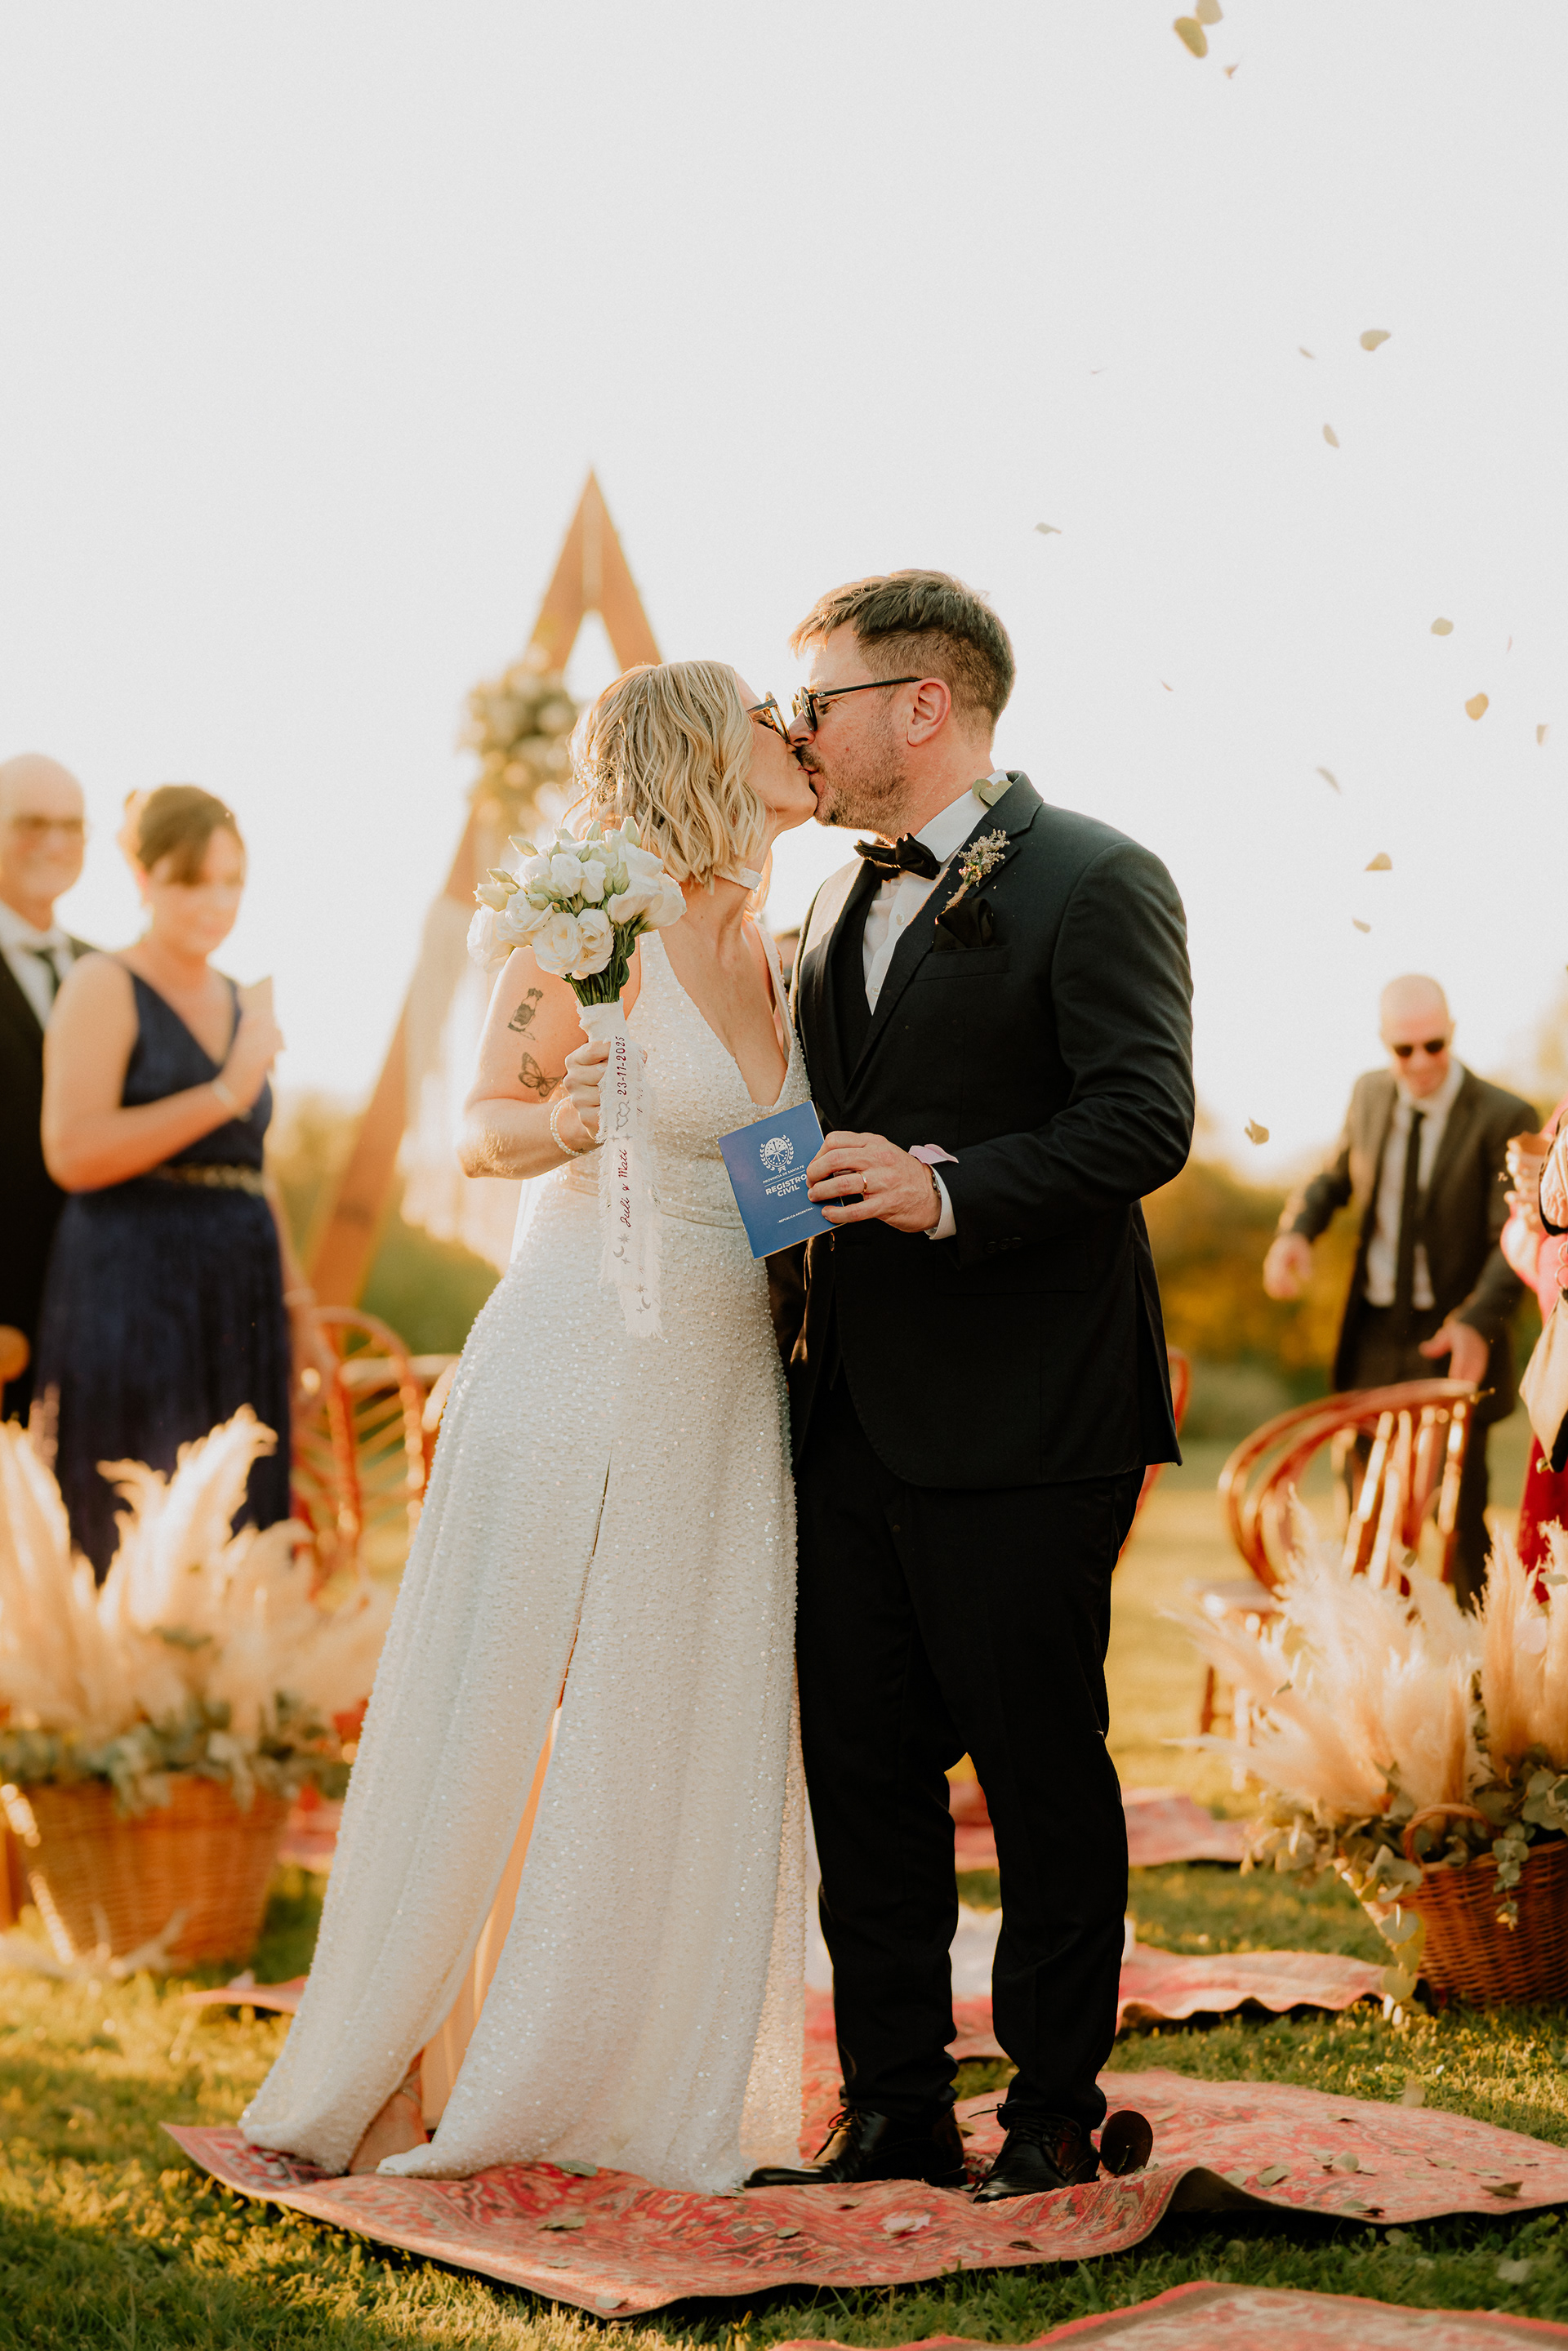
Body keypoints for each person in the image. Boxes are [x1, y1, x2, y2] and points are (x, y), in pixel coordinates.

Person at [243, 660, 820, 2190]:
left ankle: (611, 2066)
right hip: (579, 1337)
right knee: (500, 1691)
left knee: (675, 1704)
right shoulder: (589, 913)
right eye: (766, 711)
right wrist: (556, 1122)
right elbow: (478, 1127)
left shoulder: (775, 951)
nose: (794, 728)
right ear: (701, 747)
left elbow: (775, 1201)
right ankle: (387, 2069)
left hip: (723, 1374)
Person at [748, 572, 1194, 2203]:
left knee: (1037, 1769)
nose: (800, 732)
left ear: (922, 704)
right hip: (846, 1413)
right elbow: (801, 1145)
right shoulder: (820, 904)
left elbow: (1143, 1116)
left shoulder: (1097, 875)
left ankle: (1055, 2111)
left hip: (1028, 1414)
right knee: (864, 1778)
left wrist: (946, 1189)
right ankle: (895, 2109)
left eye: (821, 701)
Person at [35, 786, 313, 1577]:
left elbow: (253, 1168)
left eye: (231, 881)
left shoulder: (240, 994)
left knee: (243, 1519)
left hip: (241, 1292)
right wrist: (225, 1090)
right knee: (135, 1522)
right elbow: (71, 1151)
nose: (215, 902)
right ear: (142, 877)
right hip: (133, 1286)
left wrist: (298, 1307)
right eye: (192, 880)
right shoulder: (102, 982)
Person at [1263, 974, 1535, 1606]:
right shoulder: (1368, 1094)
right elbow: (1333, 1177)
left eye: (1433, 1045)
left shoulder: (1505, 1116)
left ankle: (1474, 1657)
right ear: (1384, 1042)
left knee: (1453, 1514)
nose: (1419, 1062)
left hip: (1452, 1336)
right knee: (1362, 1507)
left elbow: (1514, 1238)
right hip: (1374, 1331)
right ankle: (1376, 1651)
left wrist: (1475, 1320)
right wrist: (1295, 1232)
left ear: (1453, 1033)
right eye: (1403, 1049)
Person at [0, 754, 92, 1423]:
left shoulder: (109, 970)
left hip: (105, 1326)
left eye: (71, 825)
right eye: (32, 823)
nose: (54, 843)